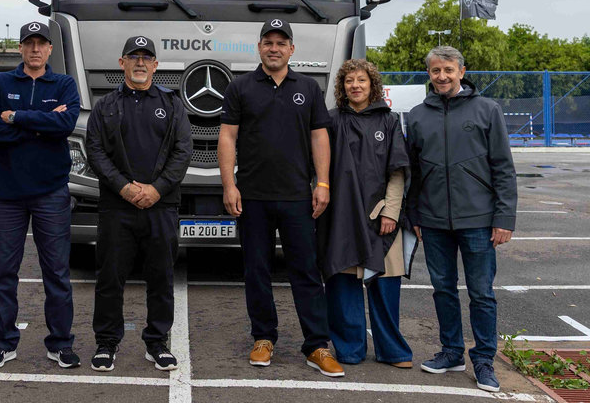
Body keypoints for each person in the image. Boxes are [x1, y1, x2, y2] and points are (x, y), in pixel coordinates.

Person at [218, 19, 344, 378]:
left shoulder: (308, 87)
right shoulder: (240, 87)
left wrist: (323, 184)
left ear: (292, 49)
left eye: (281, 42)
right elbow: (227, 137)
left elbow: (320, 137)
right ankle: (263, 338)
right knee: (256, 270)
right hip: (253, 197)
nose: (274, 48)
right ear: (259, 47)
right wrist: (229, 185)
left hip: (296, 197)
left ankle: (316, 345)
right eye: (268, 42)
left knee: (305, 271)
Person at [407, 45, 517, 393]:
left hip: (479, 221)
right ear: (429, 74)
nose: (442, 76)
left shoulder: (487, 110)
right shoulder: (417, 115)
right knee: (442, 289)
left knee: (482, 293)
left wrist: (504, 217)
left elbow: (503, 167)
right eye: (436, 70)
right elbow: (413, 172)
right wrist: (415, 214)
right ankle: (452, 352)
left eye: (449, 70)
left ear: (462, 72)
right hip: (434, 220)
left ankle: (483, 360)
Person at [85, 36, 192, 372]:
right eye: (134, 57)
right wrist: (125, 188)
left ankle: (157, 342)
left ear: (156, 66)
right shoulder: (105, 106)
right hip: (118, 207)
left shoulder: (172, 104)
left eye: (147, 58)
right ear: (122, 64)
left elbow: (182, 151)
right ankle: (106, 343)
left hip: (161, 206)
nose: (140, 63)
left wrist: (157, 189)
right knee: (110, 277)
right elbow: (96, 151)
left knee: (161, 276)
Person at [0, 22, 81, 370]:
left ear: (50, 49)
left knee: (56, 272)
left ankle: (60, 343)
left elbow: (65, 127)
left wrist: (17, 117)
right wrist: (40, 124)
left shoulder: (64, 84)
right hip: (7, 194)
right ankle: (4, 343)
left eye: (41, 43)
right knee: (4, 272)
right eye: (29, 43)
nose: (35, 49)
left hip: (51, 191)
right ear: (20, 48)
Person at [316, 59, 414, 369]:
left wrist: (392, 212)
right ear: (341, 87)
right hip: (341, 218)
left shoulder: (388, 121)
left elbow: (398, 173)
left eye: (361, 80)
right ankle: (349, 349)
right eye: (349, 81)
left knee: (385, 286)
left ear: (372, 85)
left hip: (380, 217)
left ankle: (392, 351)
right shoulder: (330, 121)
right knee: (343, 285)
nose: (355, 85)